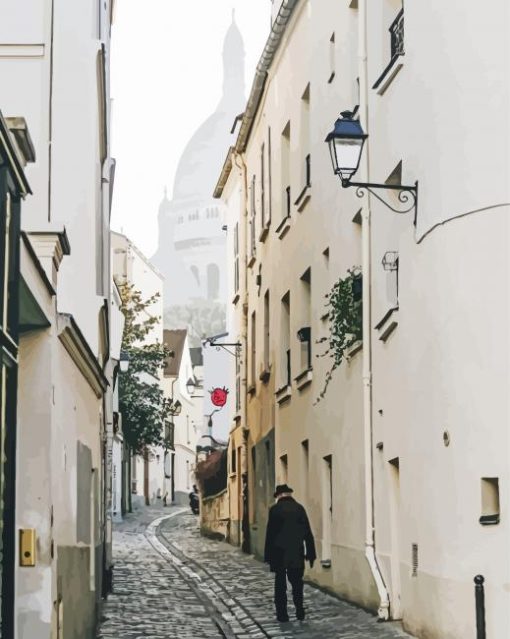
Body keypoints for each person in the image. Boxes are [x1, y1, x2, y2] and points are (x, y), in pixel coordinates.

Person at [264, 484, 316, 622]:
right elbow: (307, 532)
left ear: (279, 496)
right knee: (297, 583)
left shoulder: (275, 510)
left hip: (279, 553)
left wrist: (268, 556)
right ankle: (299, 609)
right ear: (289, 494)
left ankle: (282, 614)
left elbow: (270, 534)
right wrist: (311, 553)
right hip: (296, 552)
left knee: (280, 585)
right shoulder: (299, 509)